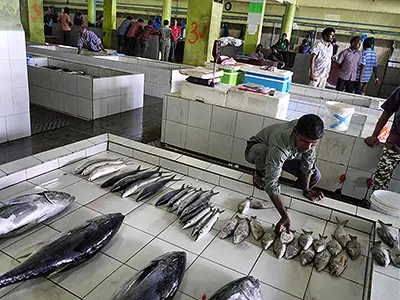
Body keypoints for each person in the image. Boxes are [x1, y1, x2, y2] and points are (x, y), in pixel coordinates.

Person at [245, 115, 325, 233]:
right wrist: (284, 216)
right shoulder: (280, 142)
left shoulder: (309, 134)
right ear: (295, 132)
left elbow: (307, 165)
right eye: (304, 141)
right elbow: (271, 184)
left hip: (286, 155)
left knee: (315, 175)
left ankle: (287, 196)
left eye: (313, 144)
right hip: (257, 150)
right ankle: (259, 173)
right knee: (265, 156)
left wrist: (306, 189)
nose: (308, 147)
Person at [365, 87, 400, 192]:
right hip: (394, 145)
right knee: (380, 180)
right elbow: (387, 112)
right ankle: (375, 205)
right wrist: (374, 135)